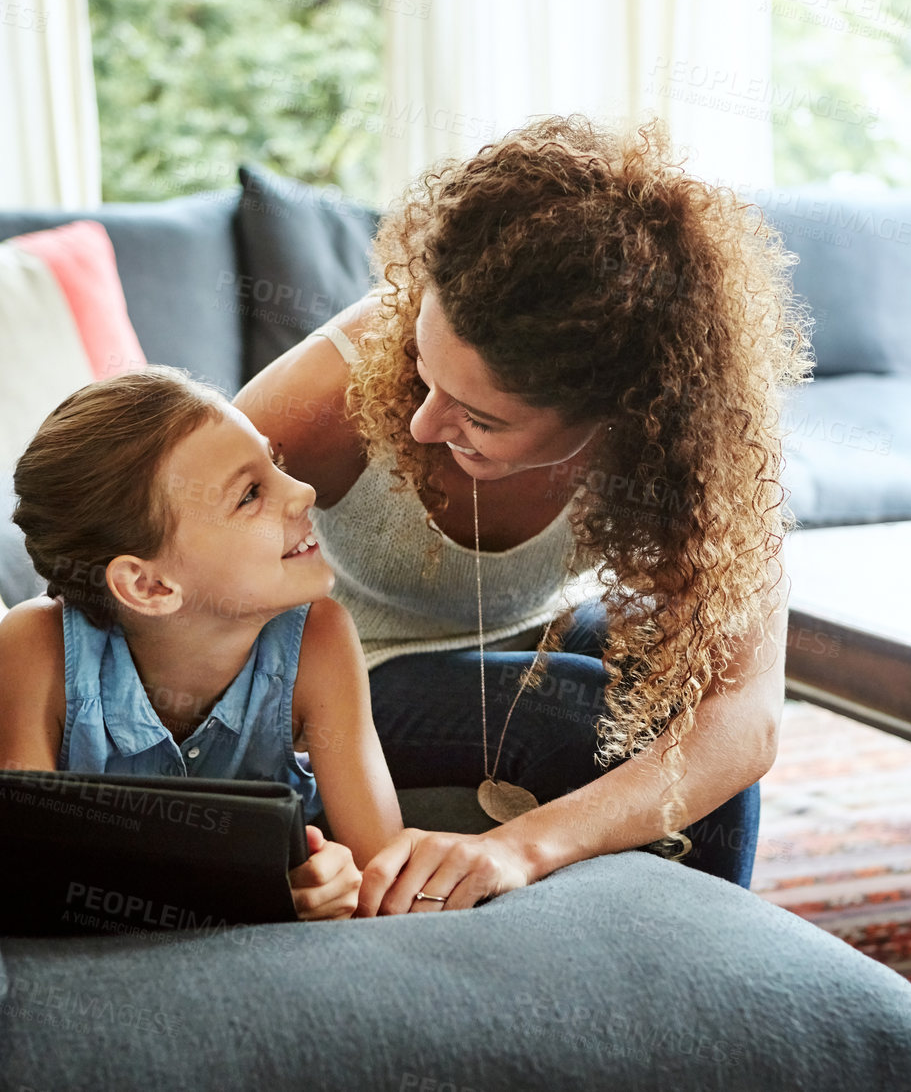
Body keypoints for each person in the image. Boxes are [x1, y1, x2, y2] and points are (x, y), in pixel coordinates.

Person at [234, 115, 810, 917]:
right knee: (580, 717)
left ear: (618, 412)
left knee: (678, 704)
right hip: (328, 670)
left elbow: (744, 717)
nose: (423, 425)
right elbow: (151, 548)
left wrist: (519, 848)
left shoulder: (696, 437)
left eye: (480, 416)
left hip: (519, 633)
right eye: (424, 372)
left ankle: (701, 967)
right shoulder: (346, 380)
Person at [0, 367, 404, 921]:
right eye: (250, 494)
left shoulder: (323, 638)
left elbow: (377, 861)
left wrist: (336, 878)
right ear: (149, 585)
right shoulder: (34, 644)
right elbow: (22, 873)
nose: (304, 490)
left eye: (275, 463)